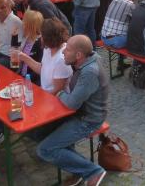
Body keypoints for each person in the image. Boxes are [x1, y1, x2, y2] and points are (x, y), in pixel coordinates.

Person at [35, 35, 108, 186]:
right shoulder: (88, 60)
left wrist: (61, 93)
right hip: (77, 114)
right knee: (39, 131)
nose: (63, 52)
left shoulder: (89, 72)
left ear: (79, 55)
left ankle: (93, 171)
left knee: (45, 149)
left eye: (67, 50)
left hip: (88, 120)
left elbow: (72, 103)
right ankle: (79, 171)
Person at [17, 19, 73, 95]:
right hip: (43, 92)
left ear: (48, 38)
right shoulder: (48, 48)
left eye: (42, 35)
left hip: (53, 98)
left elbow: (57, 91)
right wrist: (23, 57)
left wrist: (38, 94)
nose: (40, 37)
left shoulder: (62, 59)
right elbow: (43, 69)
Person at [0, 0, 23, 66]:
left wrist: (15, 66)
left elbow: (19, 46)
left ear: (9, 7)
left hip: (12, 56)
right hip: (1, 52)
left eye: (3, 7)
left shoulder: (16, 21)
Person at [13, 10, 44, 84]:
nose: (22, 23)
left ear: (30, 26)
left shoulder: (40, 43)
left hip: (32, 81)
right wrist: (14, 38)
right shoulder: (25, 38)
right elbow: (14, 62)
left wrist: (26, 79)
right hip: (21, 75)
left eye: (24, 22)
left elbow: (40, 69)